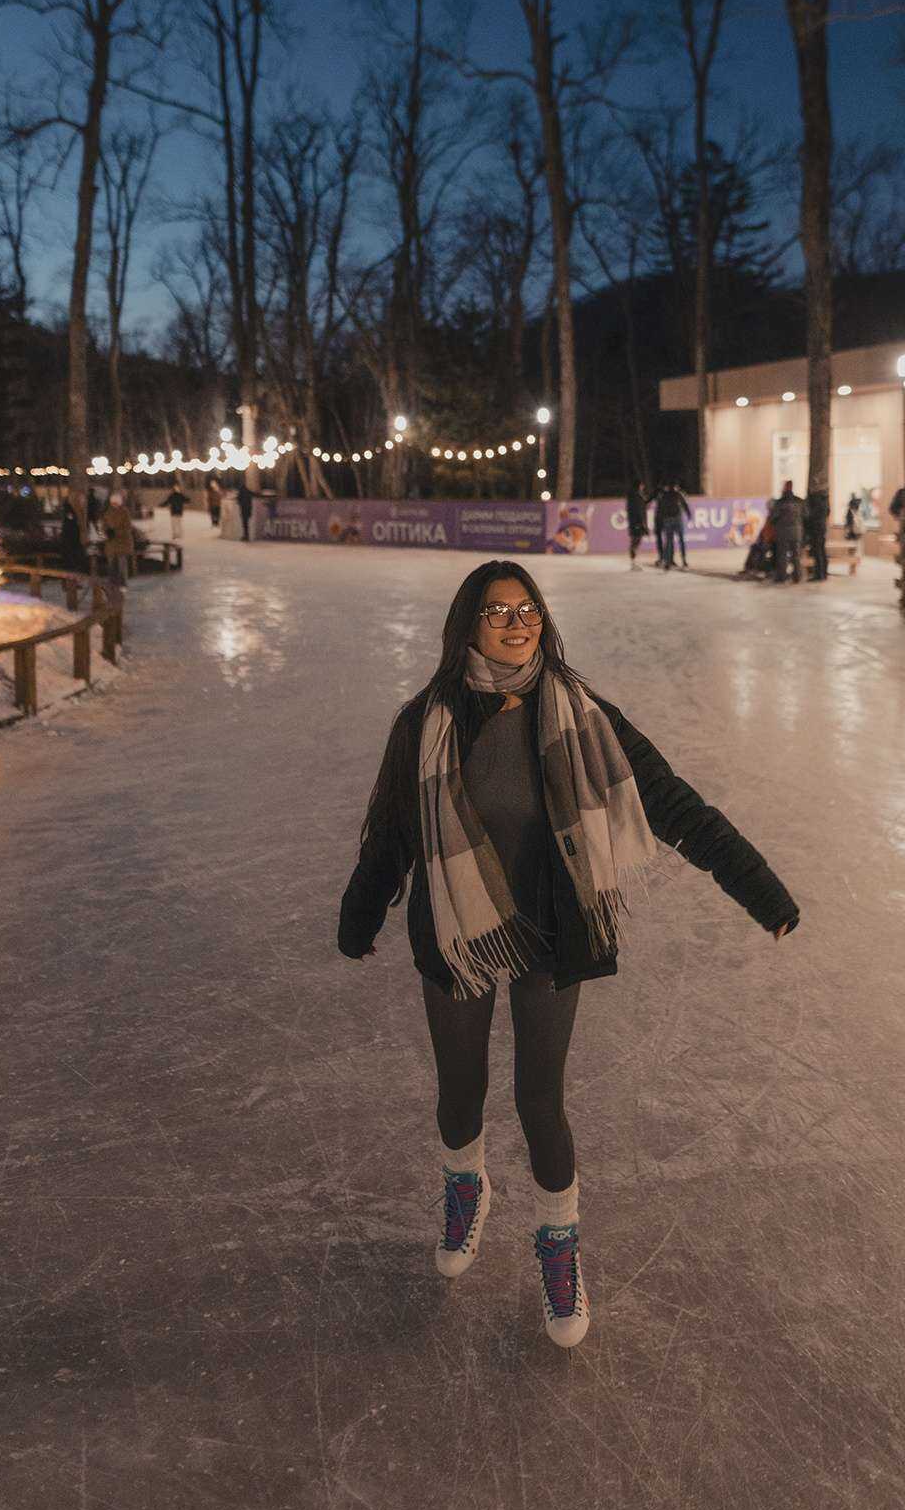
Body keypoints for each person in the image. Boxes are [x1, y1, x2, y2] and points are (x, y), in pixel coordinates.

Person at [338, 561, 800, 1350]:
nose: (515, 623)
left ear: (544, 622)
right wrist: (359, 913)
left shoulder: (583, 715)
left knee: (538, 1101)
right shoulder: (425, 721)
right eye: (496, 612)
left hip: (555, 930)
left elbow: (677, 806)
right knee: (459, 1093)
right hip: (459, 930)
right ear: (467, 626)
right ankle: (466, 1187)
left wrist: (759, 889)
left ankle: (558, 1246)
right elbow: (391, 832)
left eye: (527, 610)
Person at [771, 479, 804, 583]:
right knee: (796, 556)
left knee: (782, 556)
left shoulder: (779, 503)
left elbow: (773, 518)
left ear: (785, 488)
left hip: (783, 533)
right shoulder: (799, 501)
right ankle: (797, 577)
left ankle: (782, 577)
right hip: (797, 533)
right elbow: (806, 515)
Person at [101, 489, 135, 585]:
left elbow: (127, 527)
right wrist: (106, 532)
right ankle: (112, 582)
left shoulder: (125, 512)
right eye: (113, 503)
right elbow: (104, 525)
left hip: (122, 543)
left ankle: (122, 583)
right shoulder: (108, 512)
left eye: (116, 503)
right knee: (111, 565)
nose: (114, 505)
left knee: (121, 565)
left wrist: (116, 532)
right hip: (111, 543)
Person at [656, 482, 692, 570]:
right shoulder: (678, 494)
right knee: (681, 540)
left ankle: (667, 562)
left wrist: (661, 521)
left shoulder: (663, 496)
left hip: (667, 520)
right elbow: (685, 505)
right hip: (677, 519)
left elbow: (660, 509)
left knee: (668, 541)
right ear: (675, 486)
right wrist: (689, 515)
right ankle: (684, 561)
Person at [803, 486, 829, 582]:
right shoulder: (825, 500)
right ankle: (823, 573)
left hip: (816, 529)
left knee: (818, 552)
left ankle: (819, 574)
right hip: (822, 528)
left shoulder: (815, 501)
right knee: (822, 551)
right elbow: (827, 513)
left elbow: (810, 516)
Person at [625, 480, 652, 569]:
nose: (643, 487)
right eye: (642, 486)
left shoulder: (634, 496)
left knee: (635, 542)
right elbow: (638, 510)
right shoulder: (636, 496)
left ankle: (633, 562)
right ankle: (633, 562)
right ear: (639, 486)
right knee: (635, 542)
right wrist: (642, 524)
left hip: (635, 522)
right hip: (637, 522)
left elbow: (642, 506)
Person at [59, 497, 88, 574]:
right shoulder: (71, 511)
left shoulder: (68, 511)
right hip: (72, 536)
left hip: (70, 536)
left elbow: (70, 522)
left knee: (72, 554)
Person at [843, 493, 863, 577]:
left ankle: (852, 569)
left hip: (852, 534)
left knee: (852, 552)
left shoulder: (850, 512)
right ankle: (853, 569)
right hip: (855, 534)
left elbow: (848, 525)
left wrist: (846, 533)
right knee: (854, 552)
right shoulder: (856, 512)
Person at [165, 481, 187, 545]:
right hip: (173, 511)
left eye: (178, 487)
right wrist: (162, 505)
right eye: (175, 487)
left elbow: (186, 500)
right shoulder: (172, 495)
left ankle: (179, 534)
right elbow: (167, 501)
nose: (177, 488)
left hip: (179, 511)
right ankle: (174, 534)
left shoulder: (181, 495)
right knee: (174, 524)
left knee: (179, 523)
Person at [236, 477, 254, 542]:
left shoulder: (241, 491)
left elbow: (238, 500)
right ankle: (246, 535)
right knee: (246, 523)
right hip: (248, 509)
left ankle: (246, 536)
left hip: (244, 509)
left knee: (245, 523)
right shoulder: (247, 491)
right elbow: (254, 494)